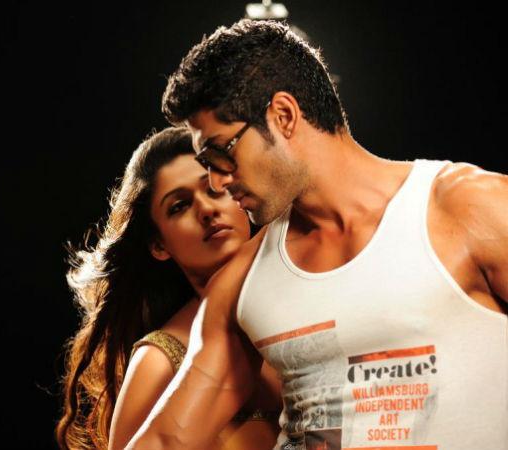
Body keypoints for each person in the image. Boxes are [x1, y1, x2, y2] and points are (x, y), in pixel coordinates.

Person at [126, 19, 508, 450]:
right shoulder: (240, 283)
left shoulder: (470, 209)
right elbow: (166, 440)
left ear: (284, 116)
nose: (217, 180)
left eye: (221, 153)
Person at [56, 127, 281, 450]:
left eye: (214, 188)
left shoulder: (302, 307)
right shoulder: (158, 362)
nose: (207, 209)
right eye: (179, 206)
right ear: (159, 245)